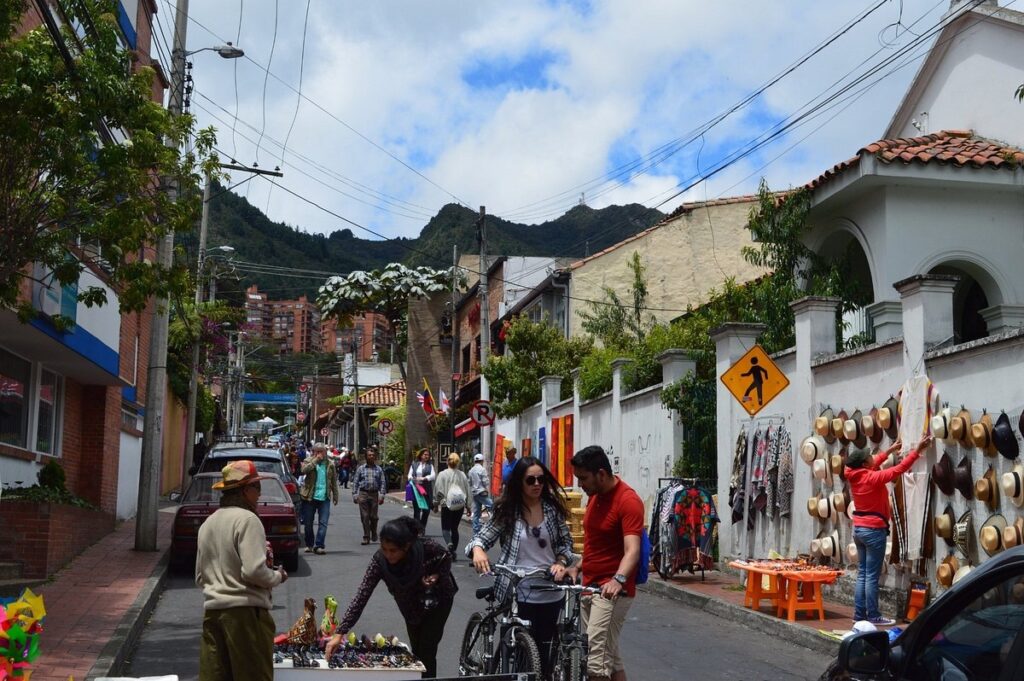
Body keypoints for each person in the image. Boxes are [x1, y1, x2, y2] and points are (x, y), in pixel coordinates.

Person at [467, 456, 577, 677]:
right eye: (530, 480)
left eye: (541, 479)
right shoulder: (508, 511)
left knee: (544, 659)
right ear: (519, 482)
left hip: (549, 592)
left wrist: (561, 563)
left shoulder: (552, 511)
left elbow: (566, 545)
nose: (537, 484)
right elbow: (480, 539)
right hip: (518, 591)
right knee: (517, 655)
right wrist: (478, 550)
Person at [324, 517, 456, 678]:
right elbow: (361, 596)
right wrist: (340, 632)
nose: (388, 555)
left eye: (393, 550)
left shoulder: (426, 547)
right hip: (410, 606)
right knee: (416, 650)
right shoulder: (379, 562)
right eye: (384, 549)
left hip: (438, 600)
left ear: (406, 546)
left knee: (428, 648)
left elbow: (446, 557)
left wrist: (437, 575)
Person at [196, 460, 287, 681]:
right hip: (245, 615)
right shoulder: (248, 520)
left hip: (213, 613)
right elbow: (254, 571)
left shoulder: (208, 523)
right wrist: (276, 576)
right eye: (257, 488)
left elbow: (200, 576)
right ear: (246, 490)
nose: (259, 494)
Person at [569, 445, 644, 681]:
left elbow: (633, 550)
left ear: (601, 474)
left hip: (611, 592)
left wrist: (618, 579)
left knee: (595, 662)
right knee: (610, 659)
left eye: (583, 478)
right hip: (589, 587)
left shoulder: (628, 500)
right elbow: (595, 544)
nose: (580, 484)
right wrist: (577, 566)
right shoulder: (595, 498)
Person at [845, 435, 932, 625]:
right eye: (869, 457)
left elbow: (875, 462)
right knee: (871, 576)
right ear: (864, 464)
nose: (872, 457)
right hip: (874, 530)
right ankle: (874, 616)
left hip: (859, 529)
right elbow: (898, 469)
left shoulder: (856, 475)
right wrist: (917, 450)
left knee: (862, 574)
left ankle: (859, 615)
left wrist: (891, 450)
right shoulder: (872, 478)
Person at [299, 443, 340, 555]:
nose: (319, 454)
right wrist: (316, 461)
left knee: (323, 523)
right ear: (313, 452)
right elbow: (303, 471)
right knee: (308, 523)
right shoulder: (308, 460)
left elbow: (333, 482)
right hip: (309, 497)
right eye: (317, 451)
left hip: (324, 497)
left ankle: (319, 545)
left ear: (325, 452)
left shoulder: (330, 464)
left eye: (321, 451)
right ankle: (309, 544)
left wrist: (335, 495)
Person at [433, 452, 471, 559]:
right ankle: (453, 551)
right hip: (459, 505)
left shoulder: (442, 474)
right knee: (455, 528)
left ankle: (449, 544)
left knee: (446, 528)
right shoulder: (462, 475)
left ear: (447, 462)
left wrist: (436, 504)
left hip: (446, 504)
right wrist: (468, 506)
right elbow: (468, 490)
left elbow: (439, 491)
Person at [351, 448, 387, 544]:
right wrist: (355, 495)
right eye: (369, 455)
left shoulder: (379, 469)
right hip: (363, 494)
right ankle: (366, 536)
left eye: (373, 455)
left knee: (373, 517)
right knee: (365, 516)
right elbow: (355, 482)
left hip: (374, 494)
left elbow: (382, 482)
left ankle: (374, 532)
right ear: (366, 457)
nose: (371, 457)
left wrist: (382, 495)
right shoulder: (361, 469)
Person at [408, 448, 436, 530]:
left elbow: (433, 476)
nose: (427, 456)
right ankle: (417, 529)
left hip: (426, 491)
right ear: (421, 455)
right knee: (417, 511)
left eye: (428, 455)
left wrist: (424, 478)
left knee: (426, 511)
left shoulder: (430, 466)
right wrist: (412, 479)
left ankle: (422, 527)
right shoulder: (414, 464)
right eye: (425, 454)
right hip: (416, 490)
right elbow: (409, 475)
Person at [468, 452, 493, 534]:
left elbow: (470, 482)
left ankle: (476, 530)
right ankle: (494, 522)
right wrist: (487, 489)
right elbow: (485, 481)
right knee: (492, 505)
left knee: (476, 512)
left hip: (474, 493)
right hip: (481, 492)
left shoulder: (471, 470)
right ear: (482, 461)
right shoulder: (482, 469)